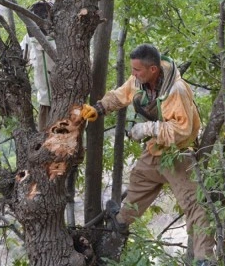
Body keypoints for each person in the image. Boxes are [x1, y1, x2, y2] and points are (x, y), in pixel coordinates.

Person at [81, 44, 216, 265]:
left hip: (179, 154)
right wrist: (99, 108)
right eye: (133, 70)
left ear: (152, 69)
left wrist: (147, 129)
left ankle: (204, 259)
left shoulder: (176, 91)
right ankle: (121, 222)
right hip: (156, 149)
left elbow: (181, 130)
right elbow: (121, 95)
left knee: (196, 205)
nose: (133, 74)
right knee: (139, 182)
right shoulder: (140, 80)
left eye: (137, 70)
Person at [21, 0, 56, 131]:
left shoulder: (63, 38)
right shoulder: (28, 39)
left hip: (66, 101)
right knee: (45, 144)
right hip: (44, 103)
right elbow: (20, 58)